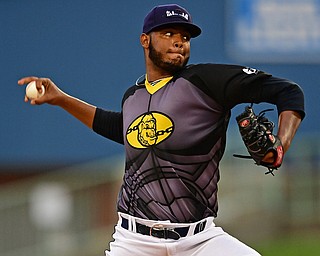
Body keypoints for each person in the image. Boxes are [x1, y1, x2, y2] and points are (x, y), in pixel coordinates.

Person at [18, 4, 305, 256]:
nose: (179, 42)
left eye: (185, 37)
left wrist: (281, 143)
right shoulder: (133, 95)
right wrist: (61, 99)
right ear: (145, 40)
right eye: (168, 34)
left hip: (200, 241)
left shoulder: (207, 81)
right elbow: (123, 130)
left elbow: (289, 92)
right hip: (133, 240)